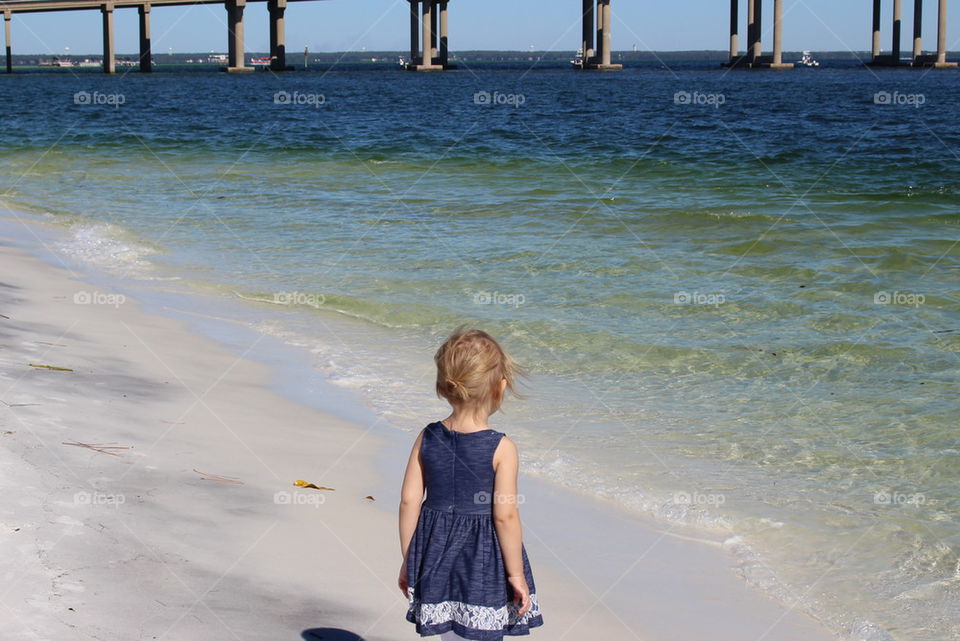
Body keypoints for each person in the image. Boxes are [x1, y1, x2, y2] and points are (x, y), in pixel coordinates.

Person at [398, 328, 544, 640]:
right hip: (482, 558)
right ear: (500, 387)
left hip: (433, 553)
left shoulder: (428, 436)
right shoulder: (502, 448)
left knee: (447, 632)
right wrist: (516, 575)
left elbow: (410, 501)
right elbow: (504, 516)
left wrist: (409, 561)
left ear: (443, 387)